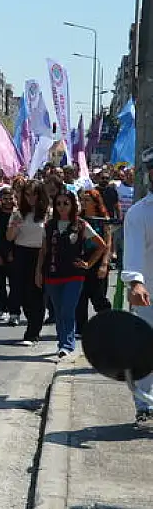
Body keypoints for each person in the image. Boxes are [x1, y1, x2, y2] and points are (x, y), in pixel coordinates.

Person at [36, 191, 106, 359]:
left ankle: (67, 344)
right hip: (52, 273)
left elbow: (101, 245)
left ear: (73, 205)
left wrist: (88, 264)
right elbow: (44, 250)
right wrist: (38, 272)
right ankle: (62, 342)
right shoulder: (49, 225)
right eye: (58, 203)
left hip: (74, 274)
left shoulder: (81, 225)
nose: (62, 207)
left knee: (68, 309)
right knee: (58, 310)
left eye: (65, 203)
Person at [121, 146, 153, 424]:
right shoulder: (139, 214)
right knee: (146, 350)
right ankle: (144, 405)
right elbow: (131, 252)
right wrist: (135, 282)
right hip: (149, 295)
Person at [9, 180, 50, 338]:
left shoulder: (48, 213)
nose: (30, 198)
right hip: (21, 253)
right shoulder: (18, 213)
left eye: (34, 194)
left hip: (40, 254)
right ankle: (31, 321)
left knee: (37, 293)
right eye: (27, 194)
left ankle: (33, 332)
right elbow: (9, 237)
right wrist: (15, 226)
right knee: (22, 293)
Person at [76, 189, 113, 336]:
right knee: (80, 296)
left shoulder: (103, 219)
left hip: (98, 261)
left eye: (87, 200)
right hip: (82, 259)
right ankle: (80, 328)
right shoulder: (79, 219)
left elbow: (108, 244)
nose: (84, 203)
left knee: (98, 296)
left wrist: (104, 264)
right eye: (82, 200)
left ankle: (107, 323)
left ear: (95, 202)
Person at [0, 187, 16, 323]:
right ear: (0, 200)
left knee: (15, 285)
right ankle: (3, 309)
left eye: (10, 198)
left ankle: (14, 311)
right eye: (5, 199)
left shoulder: (18, 215)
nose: (8, 201)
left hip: (15, 255)